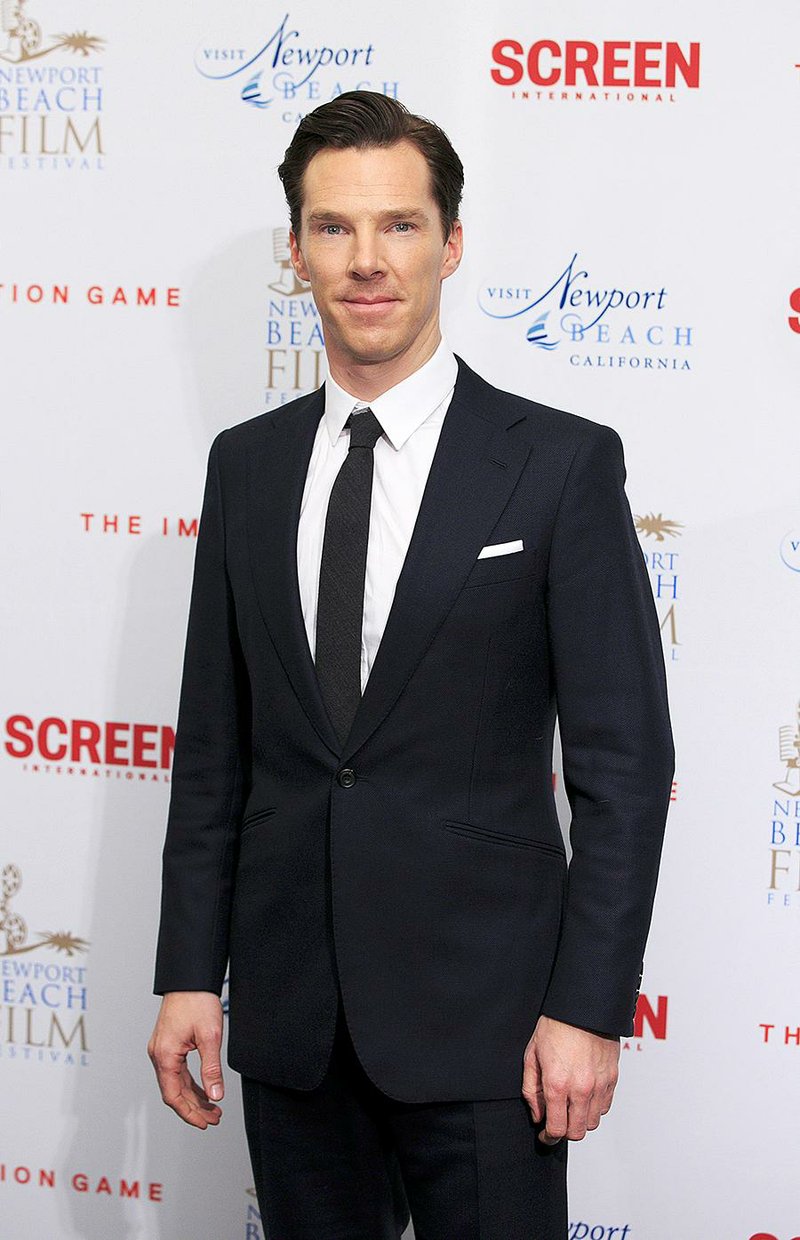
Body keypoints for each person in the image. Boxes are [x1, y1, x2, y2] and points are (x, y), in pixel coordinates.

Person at [148, 90, 674, 1239]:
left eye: (397, 225)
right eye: (334, 228)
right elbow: (214, 752)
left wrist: (587, 1008)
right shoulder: (246, 468)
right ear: (296, 251)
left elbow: (623, 769)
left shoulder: (557, 467)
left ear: (450, 242)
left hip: (491, 1027)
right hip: (292, 1023)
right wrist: (190, 971)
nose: (367, 261)